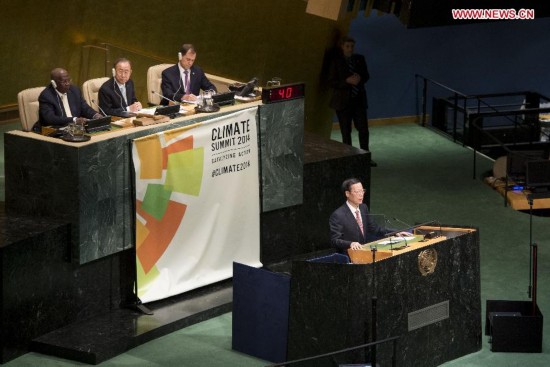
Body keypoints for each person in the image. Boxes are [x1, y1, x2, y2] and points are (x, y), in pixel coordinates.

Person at [328, 36, 375, 166]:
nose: (350, 49)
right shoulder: (336, 61)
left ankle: (365, 157)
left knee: (364, 130)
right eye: (347, 46)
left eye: (352, 46)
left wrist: (360, 78)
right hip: (343, 102)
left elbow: (366, 75)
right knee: (346, 131)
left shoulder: (359, 59)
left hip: (359, 101)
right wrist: (346, 81)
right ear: (342, 46)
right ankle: (348, 158)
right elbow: (331, 81)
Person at [329, 178, 409, 253]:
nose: (361, 194)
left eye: (362, 191)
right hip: (349, 254)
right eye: (357, 192)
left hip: (365, 252)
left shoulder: (363, 207)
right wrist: (350, 244)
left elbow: (375, 229)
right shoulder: (338, 215)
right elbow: (335, 240)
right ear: (347, 193)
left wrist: (395, 232)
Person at [34, 68, 102, 132]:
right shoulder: (46, 96)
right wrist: (74, 120)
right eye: (64, 81)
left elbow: (84, 107)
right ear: (53, 83)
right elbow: (50, 118)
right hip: (54, 131)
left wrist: (95, 115)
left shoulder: (74, 90)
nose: (67, 84)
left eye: (69, 80)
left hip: (75, 129)